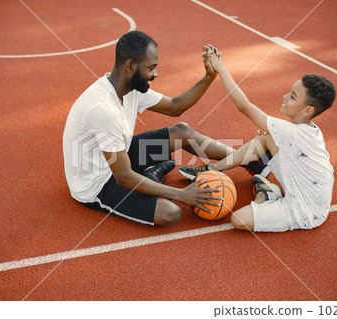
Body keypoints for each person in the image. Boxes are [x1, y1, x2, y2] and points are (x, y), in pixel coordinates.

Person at [63, 31, 237, 226]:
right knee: (170, 212)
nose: (155, 74)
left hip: (117, 156)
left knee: (182, 132)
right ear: (130, 66)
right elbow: (124, 176)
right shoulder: (104, 110)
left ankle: (247, 159)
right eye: (151, 68)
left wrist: (209, 77)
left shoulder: (129, 87)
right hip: (98, 183)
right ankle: (149, 175)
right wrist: (181, 194)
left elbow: (175, 107)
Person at [179, 50, 336, 232]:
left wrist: (220, 67)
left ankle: (268, 194)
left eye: (292, 96)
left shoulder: (293, 133)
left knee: (238, 219)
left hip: (305, 211)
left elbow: (243, 106)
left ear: (308, 111)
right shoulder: (308, 129)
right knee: (266, 136)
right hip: (302, 188)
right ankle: (212, 170)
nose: (285, 97)